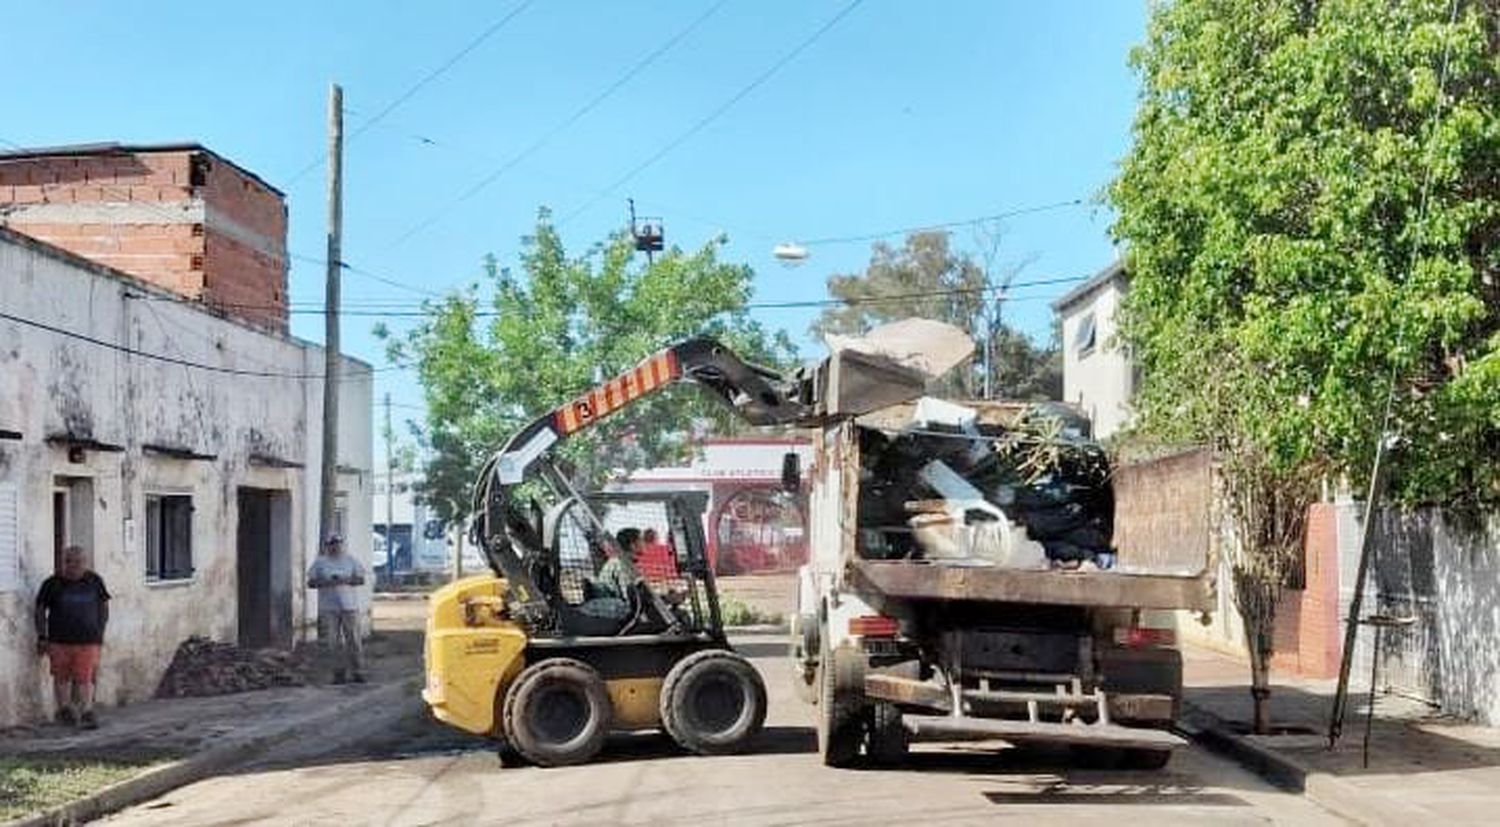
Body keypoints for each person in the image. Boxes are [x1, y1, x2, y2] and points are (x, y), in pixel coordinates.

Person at [35, 546, 111, 729]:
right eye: (69, 561)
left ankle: (86, 711)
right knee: (61, 677)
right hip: (59, 640)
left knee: (85, 677)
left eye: (78, 562)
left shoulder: (95, 581)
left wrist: (100, 632)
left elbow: (104, 607)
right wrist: (42, 636)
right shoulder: (51, 584)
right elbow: (39, 610)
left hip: (88, 640)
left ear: (85, 563)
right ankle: (64, 711)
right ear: (63, 563)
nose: (73, 566)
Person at [307, 534, 366, 684]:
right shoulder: (320, 563)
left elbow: (361, 579)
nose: (335, 546)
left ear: (341, 544)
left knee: (353, 639)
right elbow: (311, 582)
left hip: (349, 606)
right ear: (327, 546)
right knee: (333, 642)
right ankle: (338, 673)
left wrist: (345, 580)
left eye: (337, 543)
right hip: (329, 608)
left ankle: (357, 671)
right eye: (332, 544)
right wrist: (326, 582)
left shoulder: (350, 560)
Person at [579, 528, 644, 622]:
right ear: (633, 545)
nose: (644, 544)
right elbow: (629, 599)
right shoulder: (622, 565)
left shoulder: (620, 562)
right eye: (641, 540)